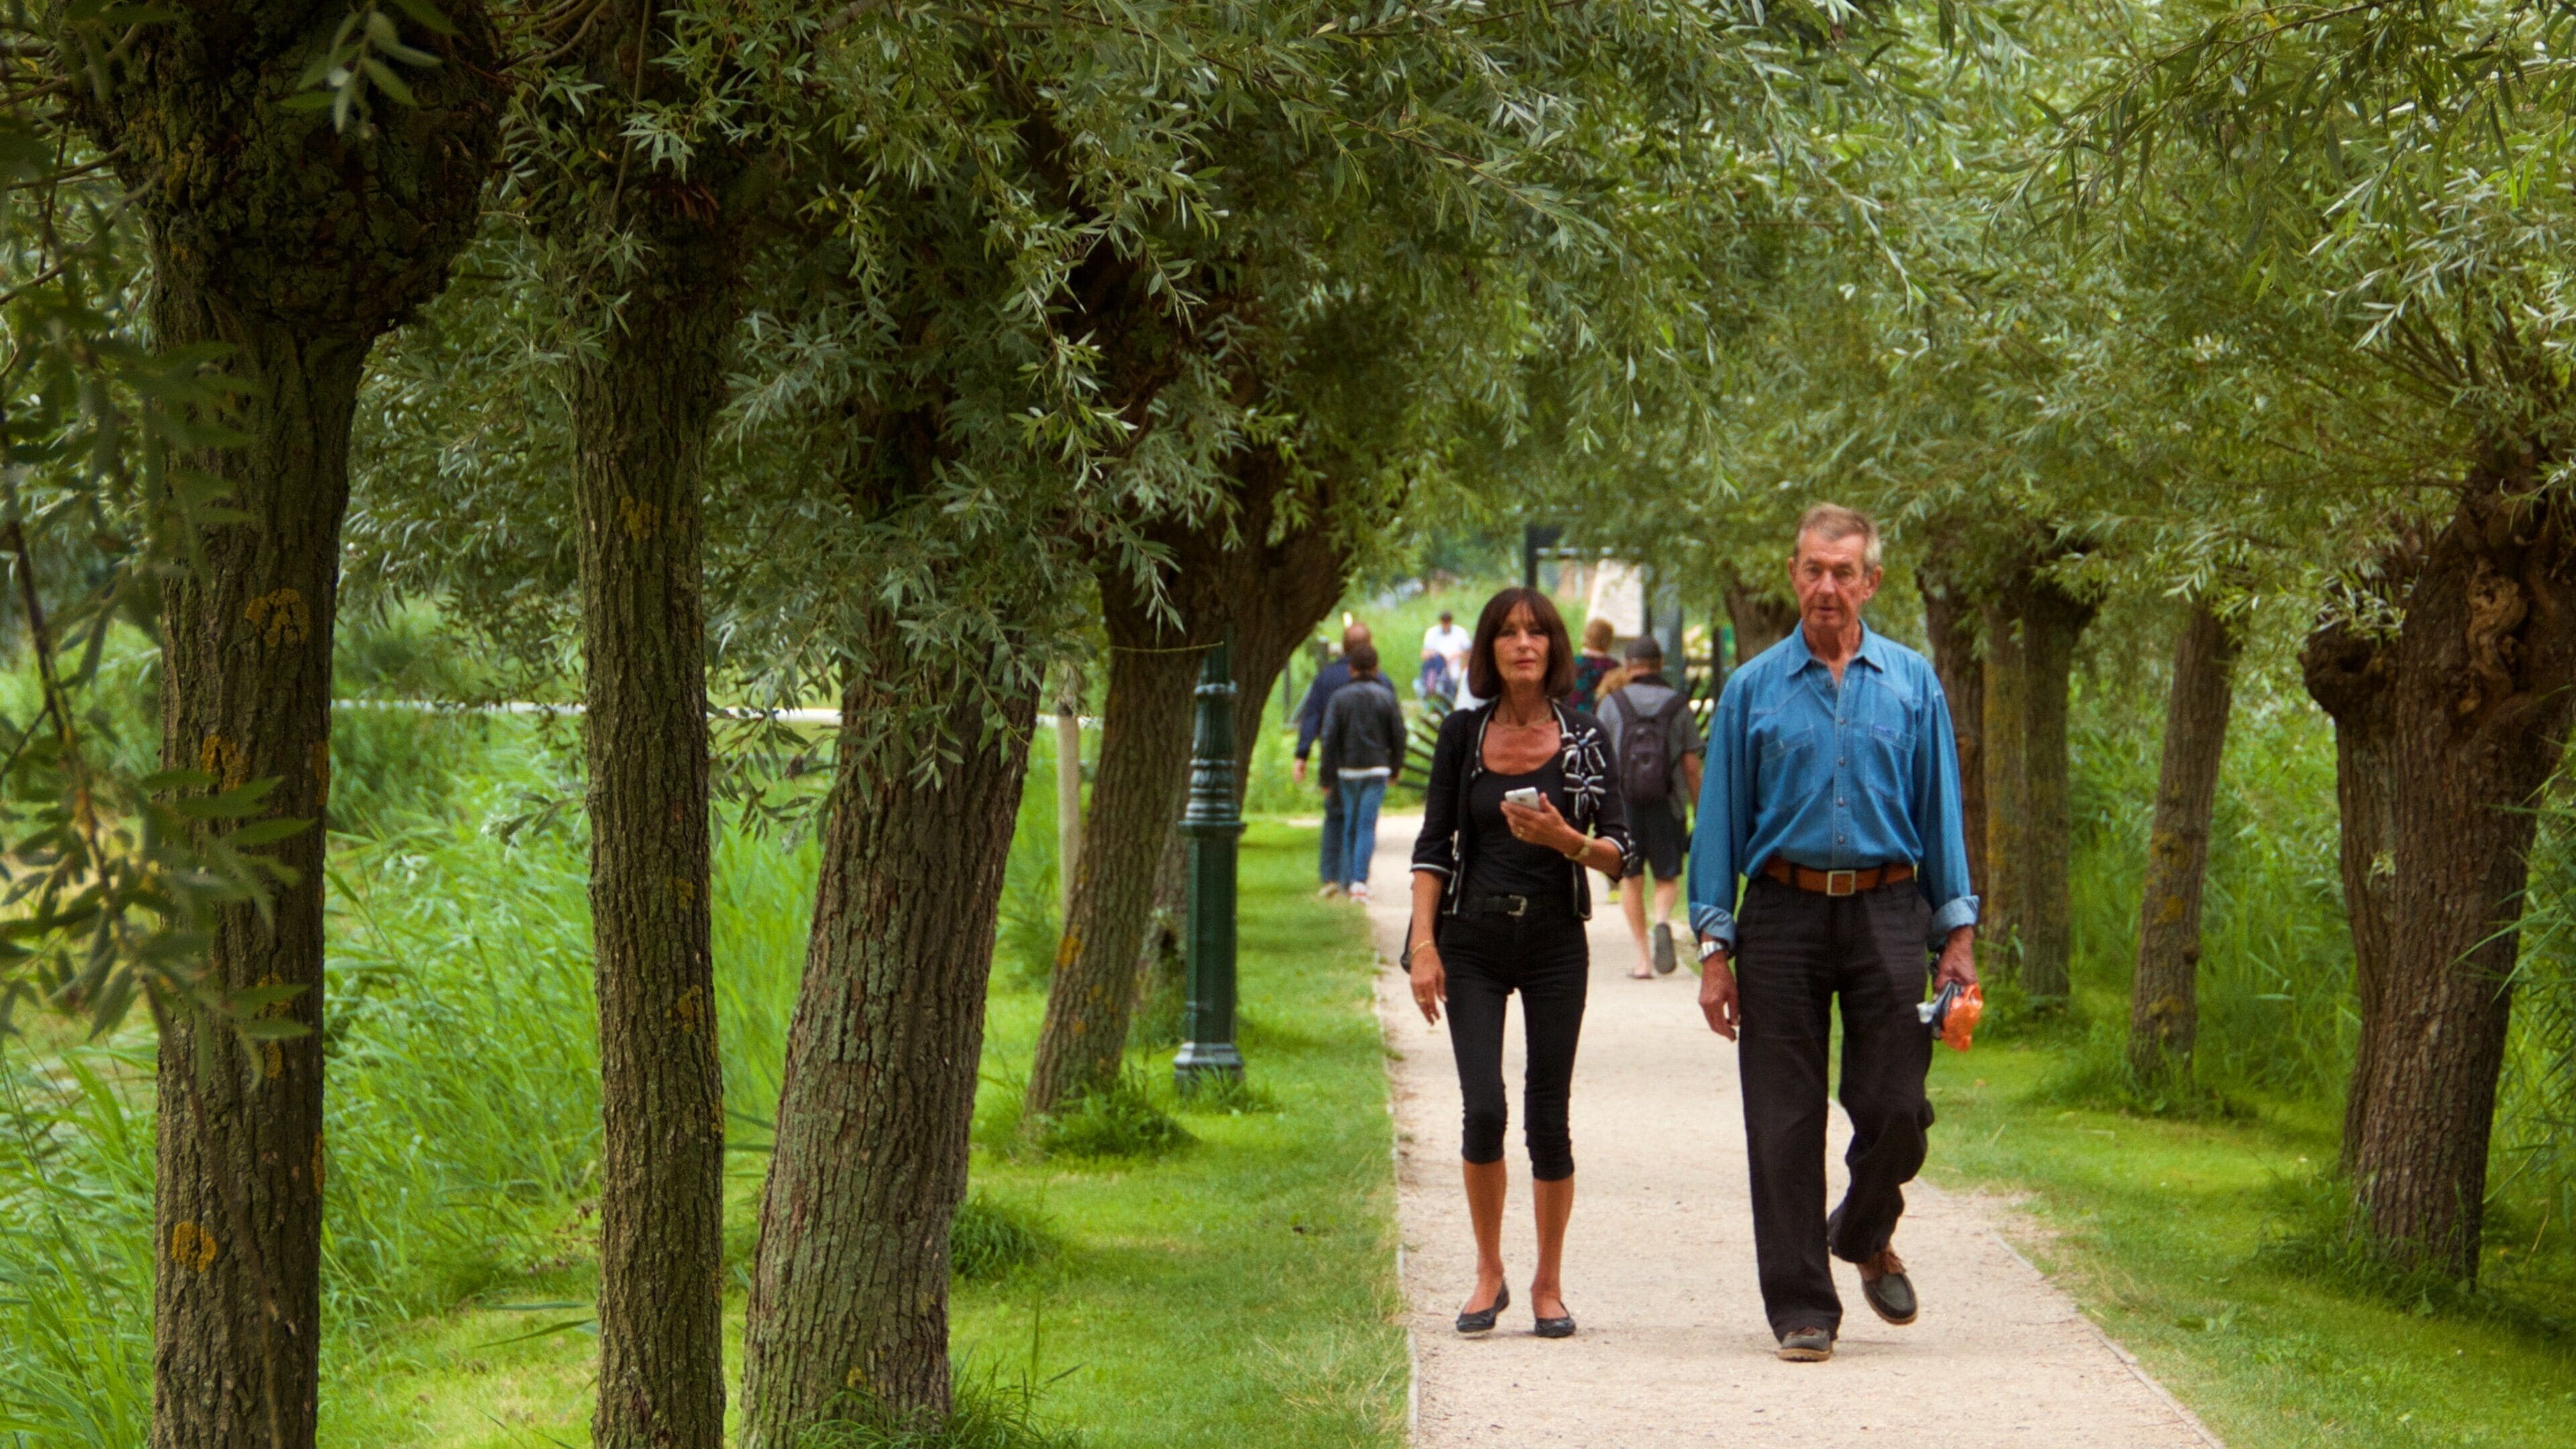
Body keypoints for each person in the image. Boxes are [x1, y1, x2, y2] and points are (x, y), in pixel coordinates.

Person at [1687, 504, 1978, 1363]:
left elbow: (1942, 814)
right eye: (1813, 569)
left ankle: (1860, 1228)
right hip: (1780, 912)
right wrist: (1714, 950)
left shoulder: (1913, 683)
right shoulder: (1751, 690)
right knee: (1782, 1119)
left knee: (1897, 1106)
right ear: (1793, 574)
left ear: (1871, 582)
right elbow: (1718, 826)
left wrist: (1956, 936)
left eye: (1843, 572)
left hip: (1889, 908)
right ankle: (1802, 1307)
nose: (1827, 586)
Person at [1404, 587, 1633, 1341]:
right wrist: (1424, 945)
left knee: (1547, 1115)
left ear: (1555, 647)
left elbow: (1621, 853)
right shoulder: (1463, 734)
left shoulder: (1585, 737)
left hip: (1554, 942)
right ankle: (1488, 1271)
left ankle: (1548, 1284)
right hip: (1472, 940)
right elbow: (1434, 846)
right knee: (1483, 1109)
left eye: (1536, 632)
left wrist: (1566, 840)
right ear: (1489, 649)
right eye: (1508, 632)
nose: (1523, 643)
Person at [1599, 635, 1704, 979]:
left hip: (1624, 807)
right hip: (1667, 804)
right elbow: (1691, 765)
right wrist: (1700, 811)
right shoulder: (1678, 704)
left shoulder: (1612, 704)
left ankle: (1644, 960)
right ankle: (1661, 921)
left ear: (1628, 667)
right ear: (1660, 665)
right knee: (1667, 876)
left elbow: (1600, 761)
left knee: (1630, 878)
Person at [1317, 641, 1405, 901]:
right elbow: (1399, 735)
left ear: (1351, 669)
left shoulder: (1339, 698)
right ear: (1377, 668)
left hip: (1348, 770)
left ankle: (1346, 879)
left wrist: (1326, 775)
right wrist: (1395, 767)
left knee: (1350, 824)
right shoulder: (1386, 696)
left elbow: (1329, 738)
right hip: (1377, 768)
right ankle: (1359, 881)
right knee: (1366, 824)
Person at [1295, 622, 1371, 899]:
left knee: (1336, 817)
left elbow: (1312, 717)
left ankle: (1330, 875)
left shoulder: (1326, 679)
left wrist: (1302, 754)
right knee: (1363, 821)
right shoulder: (1379, 681)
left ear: (1344, 646)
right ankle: (1354, 877)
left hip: (1337, 759)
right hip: (1369, 761)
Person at [1568, 616, 1619, 709]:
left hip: (1573, 716)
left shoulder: (1571, 664)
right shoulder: (1615, 668)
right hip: (1603, 716)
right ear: (1609, 640)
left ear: (1586, 637)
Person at [1421, 609, 1471, 698]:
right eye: (1444, 621)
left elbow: (1469, 652)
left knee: (1454, 675)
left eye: (1447, 621)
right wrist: (1439, 655)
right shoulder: (1432, 632)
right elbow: (1424, 654)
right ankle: (1431, 687)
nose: (1446, 624)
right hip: (1438, 663)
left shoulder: (1460, 632)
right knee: (1434, 665)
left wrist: (1456, 655)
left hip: (1455, 662)